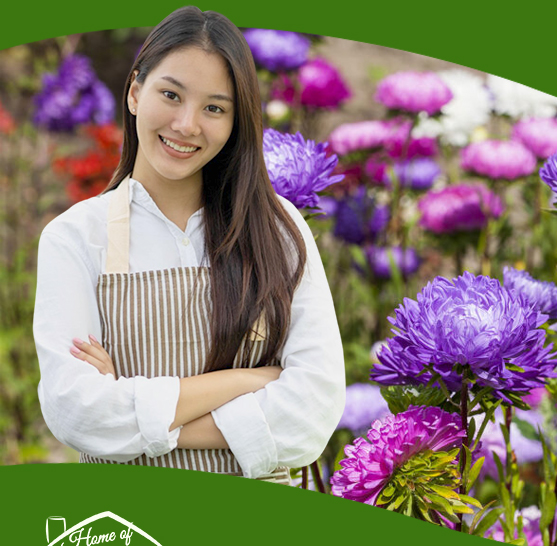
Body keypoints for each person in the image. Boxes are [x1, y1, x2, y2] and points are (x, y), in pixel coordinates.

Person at [33, 7, 345, 484]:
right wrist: (247, 381)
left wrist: (136, 410)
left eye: (214, 108)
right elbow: (78, 415)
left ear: (237, 120)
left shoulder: (279, 230)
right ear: (136, 92)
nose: (186, 124)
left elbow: (312, 418)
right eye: (171, 94)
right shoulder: (75, 238)